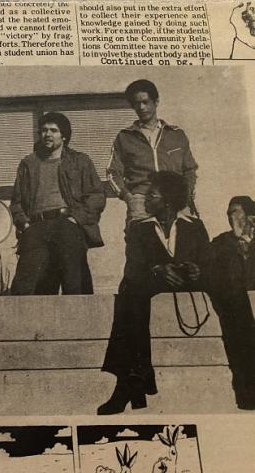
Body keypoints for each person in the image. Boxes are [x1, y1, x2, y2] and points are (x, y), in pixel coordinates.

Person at [98, 171, 211, 415]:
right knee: (129, 289)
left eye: (153, 195)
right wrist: (158, 270)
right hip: (153, 283)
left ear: (168, 199)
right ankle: (135, 375)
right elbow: (132, 269)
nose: (146, 199)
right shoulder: (140, 229)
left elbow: (209, 263)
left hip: (188, 284)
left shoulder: (195, 227)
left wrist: (197, 269)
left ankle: (133, 382)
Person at [10, 112, 105, 295]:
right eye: (44, 130)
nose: (48, 134)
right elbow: (17, 201)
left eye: (54, 130)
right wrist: (25, 224)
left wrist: (76, 219)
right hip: (36, 227)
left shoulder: (80, 161)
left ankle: (80, 321)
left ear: (64, 135)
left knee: (74, 282)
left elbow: (96, 195)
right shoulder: (28, 163)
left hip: (67, 224)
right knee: (27, 284)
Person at [108, 79, 199, 227]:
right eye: (136, 103)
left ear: (156, 102)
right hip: (142, 200)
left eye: (145, 102)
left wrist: (186, 194)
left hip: (176, 199)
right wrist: (129, 197)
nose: (141, 107)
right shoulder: (124, 137)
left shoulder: (176, 135)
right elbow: (112, 172)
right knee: (139, 243)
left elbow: (190, 169)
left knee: (185, 238)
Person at [208, 196, 255, 409]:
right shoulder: (221, 242)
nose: (231, 217)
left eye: (236, 212)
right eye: (229, 213)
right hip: (236, 310)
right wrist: (238, 241)